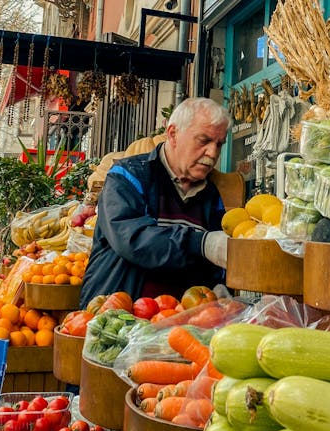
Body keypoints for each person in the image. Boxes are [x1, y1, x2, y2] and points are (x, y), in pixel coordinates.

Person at [82, 97, 231, 305]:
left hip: (178, 325)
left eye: (219, 144)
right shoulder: (128, 175)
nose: (212, 153)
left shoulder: (211, 195)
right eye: (204, 140)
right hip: (118, 318)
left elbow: (214, 262)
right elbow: (133, 239)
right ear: (173, 134)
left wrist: (219, 284)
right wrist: (201, 243)